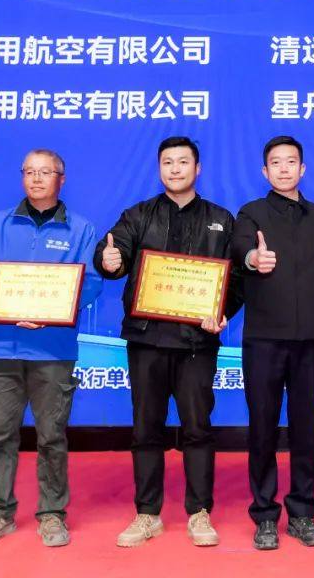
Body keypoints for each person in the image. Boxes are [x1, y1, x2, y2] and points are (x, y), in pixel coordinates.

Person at [0, 149, 102, 548]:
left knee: (52, 436)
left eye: (45, 172)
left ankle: (52, 514)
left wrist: (54, 313)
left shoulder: (82, 229)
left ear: (61, 179)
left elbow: (92, 282)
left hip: (53, 349)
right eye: (29, 172)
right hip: (2, 345)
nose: (36, 178)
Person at [94, 136, 242, 548]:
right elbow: (113, 252)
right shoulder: (138, 215)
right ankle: (147, 513)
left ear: (198, 168)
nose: (175, 169)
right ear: (159, 169)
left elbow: (235, 279)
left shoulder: (221, 219)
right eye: (167, 163)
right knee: (146, 429)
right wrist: (109, 261)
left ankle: (199, 511)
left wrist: (223, 310)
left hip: (197, 342)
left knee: (198, 428)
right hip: (147, 340)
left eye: (183, 162)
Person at [230, 136, 314, 550]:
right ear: (265, 172)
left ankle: (301, 513)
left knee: (305, 429)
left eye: (291, 161)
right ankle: (264, 515)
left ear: (303, 169)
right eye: (275, 163)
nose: (283, 168)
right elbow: (240, 250)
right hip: (263, 339)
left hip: (311, 339)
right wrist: (253, 259)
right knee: (262, 428)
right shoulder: (251, 213)